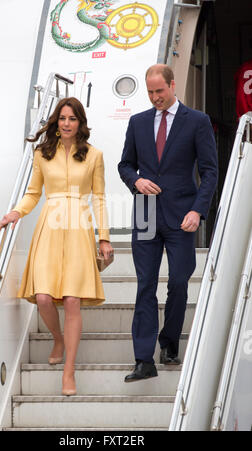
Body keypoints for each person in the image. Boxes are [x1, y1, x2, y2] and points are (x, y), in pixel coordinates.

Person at [0, 97, 113, 395]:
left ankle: (68, 372)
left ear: (80, 123)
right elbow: (33, 193)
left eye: (72, 119)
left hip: (78, 226)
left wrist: (104, 238)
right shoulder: (42, 153)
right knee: (44, 297)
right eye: (62, 118)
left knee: (73, 300)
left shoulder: (94, 155)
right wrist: (16, 212)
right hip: (50, 225)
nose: (66, 123)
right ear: (56, 121)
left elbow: (99, 198)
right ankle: (58, 338)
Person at [118, 64, 218, 382]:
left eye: (159, 91)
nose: (154, 97)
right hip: (146, 212)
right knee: (146, 285)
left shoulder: (198, 122)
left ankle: (170, 343)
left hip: (182, 216)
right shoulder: (137, 122)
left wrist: (197, 211)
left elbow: (210, 171)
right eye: (149, 92)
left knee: (178, 282)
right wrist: (136, 181)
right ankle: (143, 360)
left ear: (173, 85)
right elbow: (125, 164)